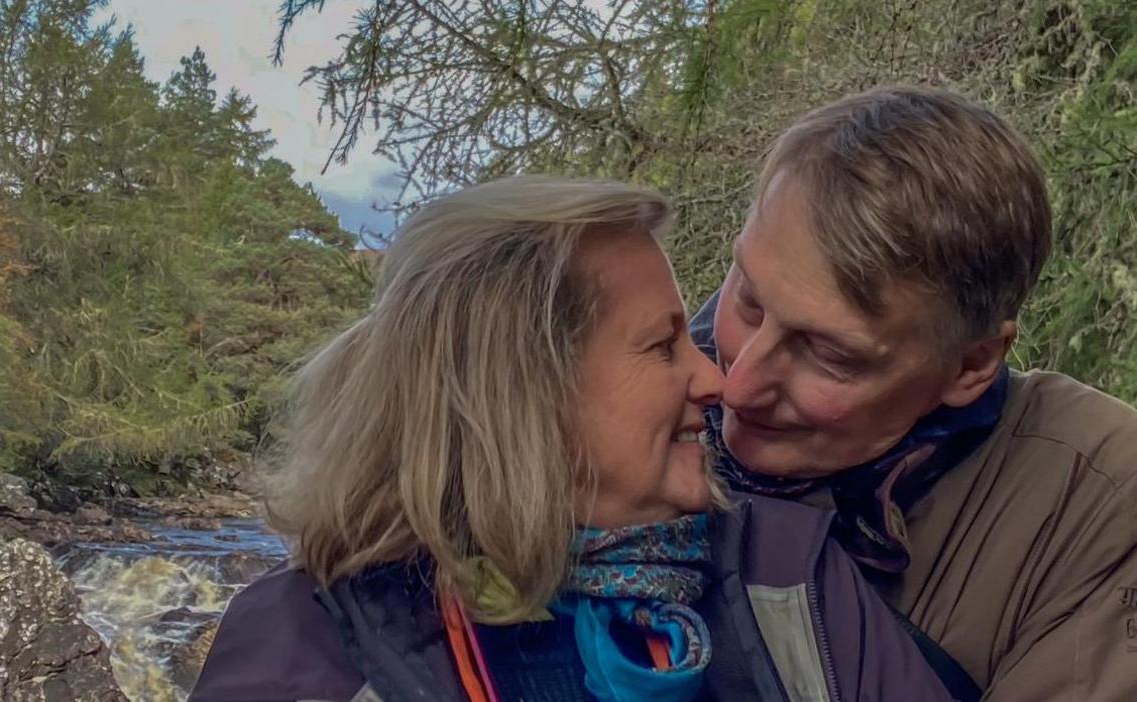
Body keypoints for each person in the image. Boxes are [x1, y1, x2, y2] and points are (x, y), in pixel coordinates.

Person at [190, 176, 957, 702]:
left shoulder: (786, 575)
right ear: (523, 396)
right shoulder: (304, 648)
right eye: (663, 347)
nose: (716, 381)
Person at [689, 85, 1137, 701]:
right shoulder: (622, 399)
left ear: (970, 366)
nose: (736, 388)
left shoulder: (1100, 504)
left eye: (830, 355)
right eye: (748, 300)